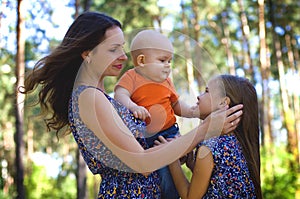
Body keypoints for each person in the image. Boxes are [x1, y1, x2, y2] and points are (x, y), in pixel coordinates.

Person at [20, 11, 243, 198]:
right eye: (113, 49)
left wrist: (173, 151)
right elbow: (142, 163)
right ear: (88, 54)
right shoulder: (88, 97)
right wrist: (205, 129)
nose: (123, 56)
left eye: (122, 47)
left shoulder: (99, 97)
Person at [114, 29, 199, 199]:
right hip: (149, 138)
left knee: (179, 171)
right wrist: (132, 107)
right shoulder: (132, 76)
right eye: (162, 60)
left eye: (169, 60)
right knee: (165, 179)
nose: (168, 65)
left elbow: (175, 104)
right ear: (142, 60)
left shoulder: (166, 81)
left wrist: (190, 111)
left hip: (170, 132)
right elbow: (119, 95)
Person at [160, 74, 262, 199]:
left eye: (206, 91)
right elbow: (220, 185)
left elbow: (189, 197)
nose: (199, 96)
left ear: (223, 102)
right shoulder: (237, 144)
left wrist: (172, 158)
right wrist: (193, 166)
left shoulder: (209, 147)